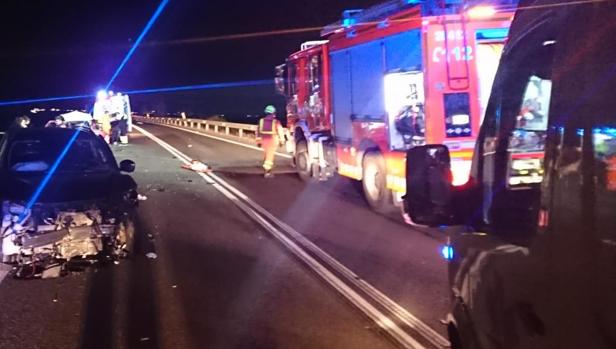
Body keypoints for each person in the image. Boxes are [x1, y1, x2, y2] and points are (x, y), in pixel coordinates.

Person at [256, 105, 285, 178]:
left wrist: (258, 142)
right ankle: (267, 172)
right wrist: (282, 141)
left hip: (264, 141)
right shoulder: (276, 122)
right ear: (273, 113)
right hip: (272, 141)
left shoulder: (261, 121)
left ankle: (267, 169)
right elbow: (280, 132)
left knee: (267, 155)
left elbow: (258, 132)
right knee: (270, 157)